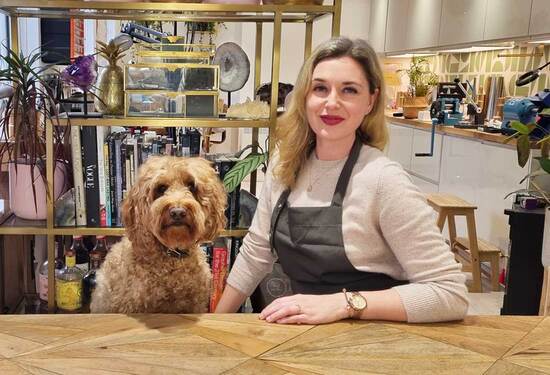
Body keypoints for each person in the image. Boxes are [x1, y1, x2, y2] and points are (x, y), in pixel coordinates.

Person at [215, 37, 468, 324]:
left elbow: (450, 294)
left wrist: (345, 303)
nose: (331, 102)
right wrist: (216, 324)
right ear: (304, 97)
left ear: (370, 100)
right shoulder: (284, 165)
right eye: (320, 88)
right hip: (302, 338)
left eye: (349, 90)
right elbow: (255, 254)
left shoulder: (383, 180)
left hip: (373, 344)